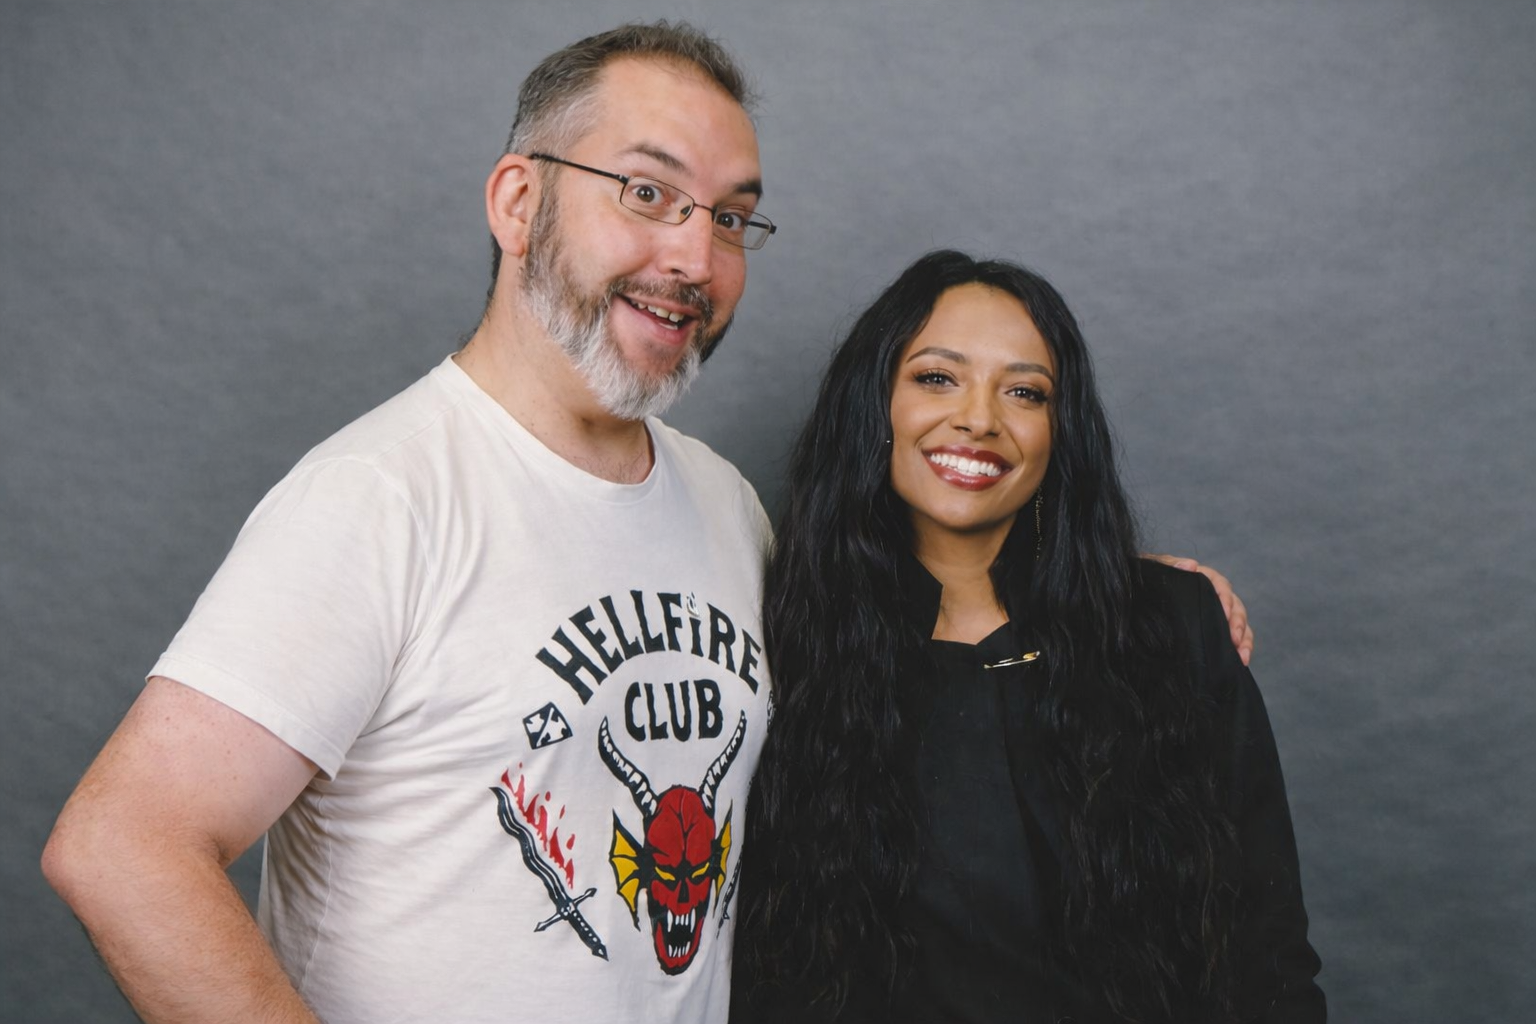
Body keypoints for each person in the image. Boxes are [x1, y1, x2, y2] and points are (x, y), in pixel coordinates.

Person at [42, 22, 1252, 1024]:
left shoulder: (721, 505)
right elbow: (123, 844)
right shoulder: (384, 496)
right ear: (519, 200)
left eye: (730, 217)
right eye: (648, 193)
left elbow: (895, 610)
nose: (695, 255)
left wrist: (1111, 586)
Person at [732, 250, 1324, 1023]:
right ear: (874, 405)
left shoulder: (1173, 629)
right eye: (936, 378)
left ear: (1059, 432)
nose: (979, 418)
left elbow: (1269, 955)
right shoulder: (779, 643)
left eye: (1024, 392)